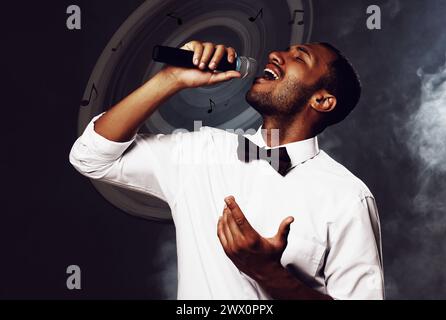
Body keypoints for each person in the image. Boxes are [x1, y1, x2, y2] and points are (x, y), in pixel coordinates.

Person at [69, 41, 384, 300]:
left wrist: (267, 272)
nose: (277, 54)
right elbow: (91, 157)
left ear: (323, 100)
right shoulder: (203, 152)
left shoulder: (347, 197)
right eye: (285, 51)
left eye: (299, 57)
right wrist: (171, 79)